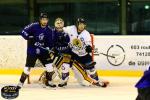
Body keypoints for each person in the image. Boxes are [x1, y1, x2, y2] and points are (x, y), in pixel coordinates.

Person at [57, 18, 109, 87]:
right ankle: (64, 81)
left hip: (83, 55)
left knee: (91, 70)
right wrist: (58, 27)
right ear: (77, 24)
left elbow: (89, 44)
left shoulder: (86, 34)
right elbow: (61, 29)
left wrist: (88, 48)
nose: (81, 26)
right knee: (65, 66)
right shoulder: (71, 29)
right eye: (80, 24)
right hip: (73, 53)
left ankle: (96, 81)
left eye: (83, 24)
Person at [17, 13, 57, 89]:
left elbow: (50, 43)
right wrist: (29, 37)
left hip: (43, 51)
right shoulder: (34, 25)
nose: (44, 21)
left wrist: (49, 47)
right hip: (32, 50)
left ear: (48, 20)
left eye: (46, 19)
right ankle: (20, 83)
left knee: (50, 67)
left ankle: (48, 82)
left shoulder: (49, 30)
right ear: (40, 20)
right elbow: (23, 32)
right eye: (43, 19)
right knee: (27, 69)